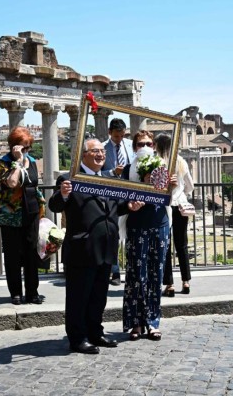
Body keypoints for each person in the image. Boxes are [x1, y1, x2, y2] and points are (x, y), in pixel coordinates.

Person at [49, 138, 143, 354]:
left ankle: (95, 332)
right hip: (82, 249)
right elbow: (55, 204)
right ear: (83, 155)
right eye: (95, 151)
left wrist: (130, 206)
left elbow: (116, 208)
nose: (101, 154)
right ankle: (78, 338)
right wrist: (63, 194)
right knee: (78, 297)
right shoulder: (69, 179)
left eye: (102, 151)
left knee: (98, 296)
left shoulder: (108, 179)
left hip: (106, 247)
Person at [121, 130, 177, 341]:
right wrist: (133, 200)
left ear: (154, 147)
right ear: (134, 148)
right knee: (136, 275)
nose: (144, 147)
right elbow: (123, 199)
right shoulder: (127, 170)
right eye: (140, 144)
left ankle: (153, 322)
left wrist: (170, 186)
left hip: (159, 224)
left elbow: (168, 200)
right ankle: (135, 323)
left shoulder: (164, 168)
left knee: (155, 274)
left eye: (148, 143)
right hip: (137, 226)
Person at [0, 127, 45, 306]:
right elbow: (12, 183)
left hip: (31, 212)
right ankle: (15, 292)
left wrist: (41, 209)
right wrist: (18, 162)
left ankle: (33, 292)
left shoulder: (32, 160)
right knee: (12, 254)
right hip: (10, 214)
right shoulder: (4, 162)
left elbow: (34, 184)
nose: (26, 151)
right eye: (23, 148)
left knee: (32, 252)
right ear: (14, 147)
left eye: (28, 147)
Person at [154, 133, 194, 297]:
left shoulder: (157, 162)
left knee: (166, 246)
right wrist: (181, 192)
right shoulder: (181, 161)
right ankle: (186, 281)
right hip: (180, 206)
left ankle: (169, 284)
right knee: (182, 244)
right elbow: (190, 186)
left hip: (164, 207)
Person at [102, 118, 134, 286]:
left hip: (129, 195)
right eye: (116, 136)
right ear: (110, 133)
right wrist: (113, 172)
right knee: (113, 234)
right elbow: (97, 173)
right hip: (112, 197)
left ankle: (131, 269)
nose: (119, 139)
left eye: (122, 135)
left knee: (131, 233)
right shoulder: (102, 148)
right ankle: (115, 271)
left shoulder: (130, 145)